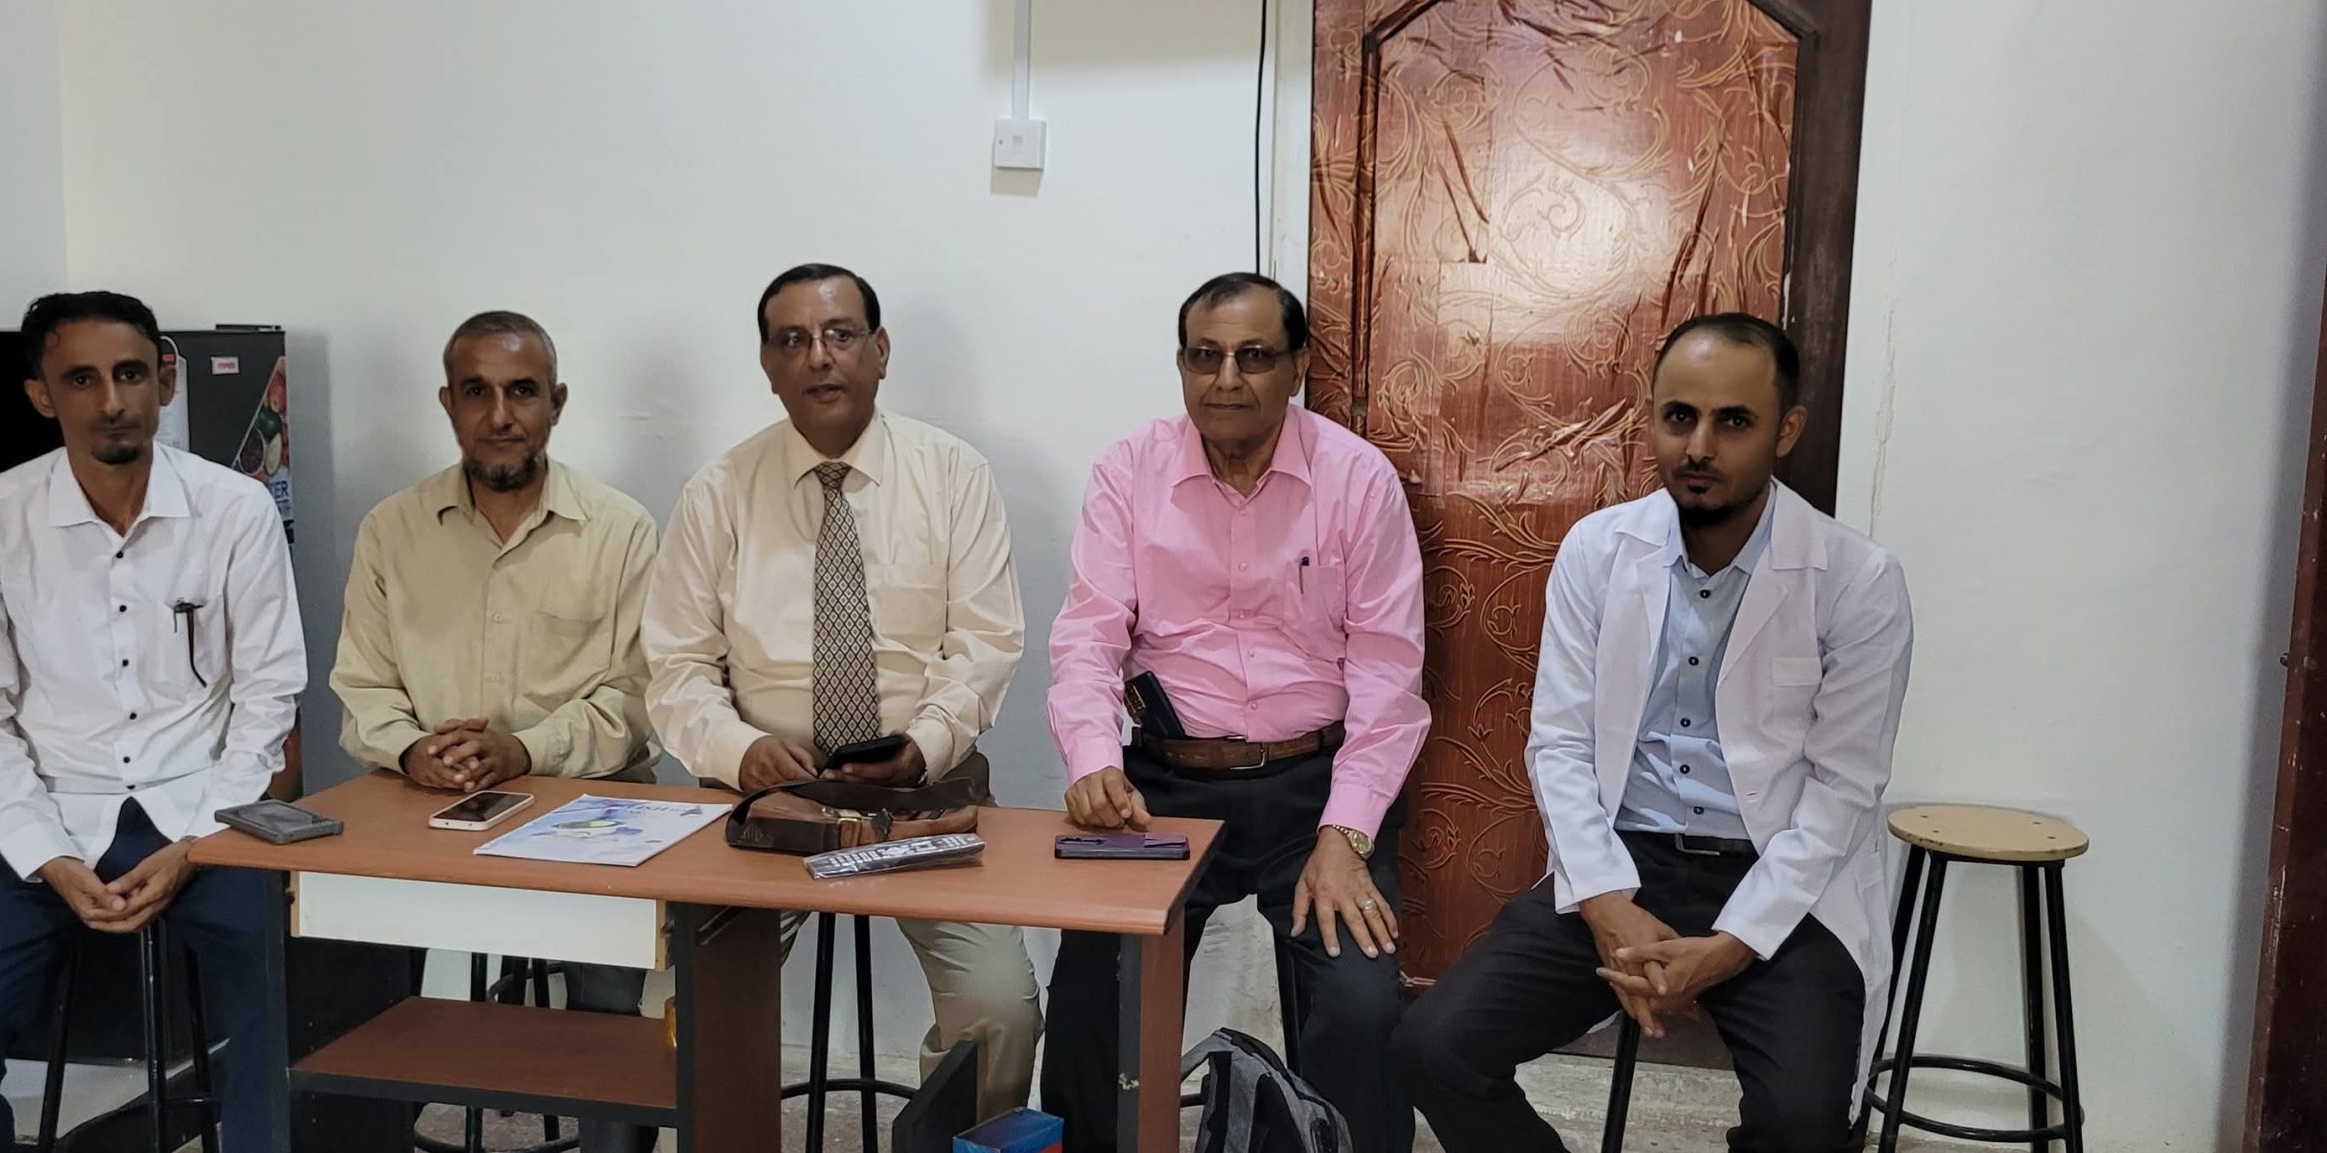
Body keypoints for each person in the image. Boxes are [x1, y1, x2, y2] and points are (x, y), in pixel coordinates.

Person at [1389, 313, 1915, 1152]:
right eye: (1679, 416)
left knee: (1804, 1125)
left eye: (1733, 421)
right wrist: (1606, 905)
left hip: (1780, 875)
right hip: (1624, 861)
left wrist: (1733, 945)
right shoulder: (1598, 551)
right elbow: (1559, 745)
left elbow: (1843, 789)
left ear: (1786, 430)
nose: (1699, 446)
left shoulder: (1856, 579)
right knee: (1432, 1049)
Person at [1040, 272, 1431, 1153]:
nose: (1226, 378)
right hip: (1166, 787)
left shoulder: (1356, 478)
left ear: (1298, 365)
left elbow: (1388, 677)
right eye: (1204, 356)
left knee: (1359, 1004)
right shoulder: (1130, 469)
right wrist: (1093, 759)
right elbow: (1089, 636)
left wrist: (1347, 835)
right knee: (1096, 990)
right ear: (1181, 364)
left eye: (1254, 356)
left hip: (1318, 789)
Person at [0, 291, 307, 1152]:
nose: (112, 400)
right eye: (81, 379)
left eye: (130, 373)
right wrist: (47, 855)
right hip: (49, 823)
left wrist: (201, 840)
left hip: (206, 815)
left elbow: (269, 693)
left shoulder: (234, 509)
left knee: (281, 1016)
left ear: (166, 381)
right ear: (42, 395)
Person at [641, 263, 1041, 1119]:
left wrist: (923, 745)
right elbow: (674, 669)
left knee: (1001, 1009)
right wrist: (741, 750)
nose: (819, 357)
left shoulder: (953, 474)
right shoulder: (719, 492)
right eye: (793, 340)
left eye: (840, 335)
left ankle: (942, 1139)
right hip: (762, 805)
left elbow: (986, 642)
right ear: (767, 364)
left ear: (880, 350)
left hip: (924, 798)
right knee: (675, 1009)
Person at [329, 310, 663, 1153]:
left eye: (522, 391)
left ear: (557, 402)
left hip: (589, 809)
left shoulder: (621, 529)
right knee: (350, 971)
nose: (500, 414)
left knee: (606, 1009)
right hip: (423, 809)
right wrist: (413, 748)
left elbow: (639, 697)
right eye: (476, 392)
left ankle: (612, 1143)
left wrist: (525, 748)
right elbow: (362, 686)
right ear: (448, 403)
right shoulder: (391, 529)